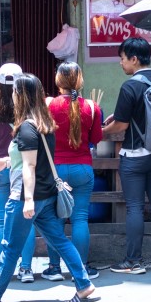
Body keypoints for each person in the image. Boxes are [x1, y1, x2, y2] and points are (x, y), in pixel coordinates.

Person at [0, 74, 99, 302]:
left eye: (16, 92)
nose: (13, 96)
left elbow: (30, 165)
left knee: (10, 248)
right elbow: (32, 159)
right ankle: (84, 284)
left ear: (21, 96)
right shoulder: (44, 123)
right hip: (46, 196)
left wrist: (27, 200)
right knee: (59, 240)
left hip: (26, 197)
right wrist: (7, 162)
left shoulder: (27, 127)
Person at [102, 38, 151, 275]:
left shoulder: (130, 86)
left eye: (122, 58)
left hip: (134, 156)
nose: (121, 64)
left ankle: (133, 261)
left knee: (135, 207)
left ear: (134, 59)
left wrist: (101, 132)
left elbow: (121, 126)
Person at [43, 62, 103, 281]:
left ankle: (54, 268)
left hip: (55, 170)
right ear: (79, 80)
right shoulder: (91, 106)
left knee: (54, 219)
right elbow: (96, 139)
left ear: (59, 80)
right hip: (83, 169)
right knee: (80, 218)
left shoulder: (48, 104)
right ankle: (83, 267)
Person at [0, 63, 37, 283]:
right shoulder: (29, 113)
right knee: (26, 217)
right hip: (22, 167)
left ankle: (0, 269)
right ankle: (26, 269)